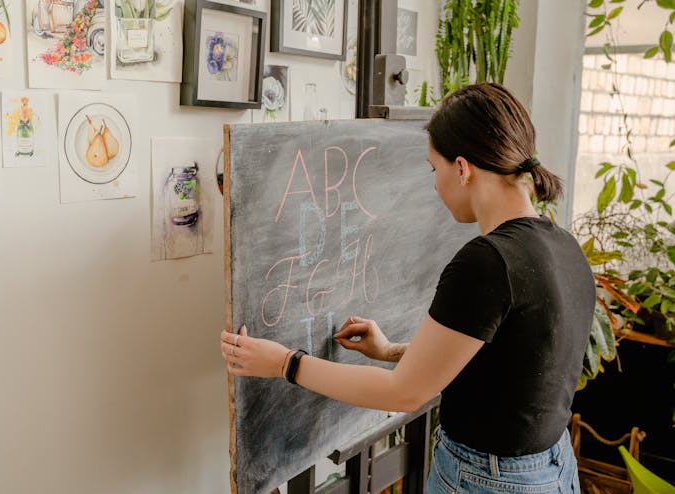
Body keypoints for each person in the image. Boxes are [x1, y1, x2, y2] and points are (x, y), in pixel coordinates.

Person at [220, 83, 594, 493]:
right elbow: (502, 363)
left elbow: (404, 394)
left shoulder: (487, 262)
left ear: (463, 169)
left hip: (488, 480)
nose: (434, 186)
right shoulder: (563, 247)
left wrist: (284, 363)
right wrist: (392, 351)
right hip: (551, 470)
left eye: (435, 169)